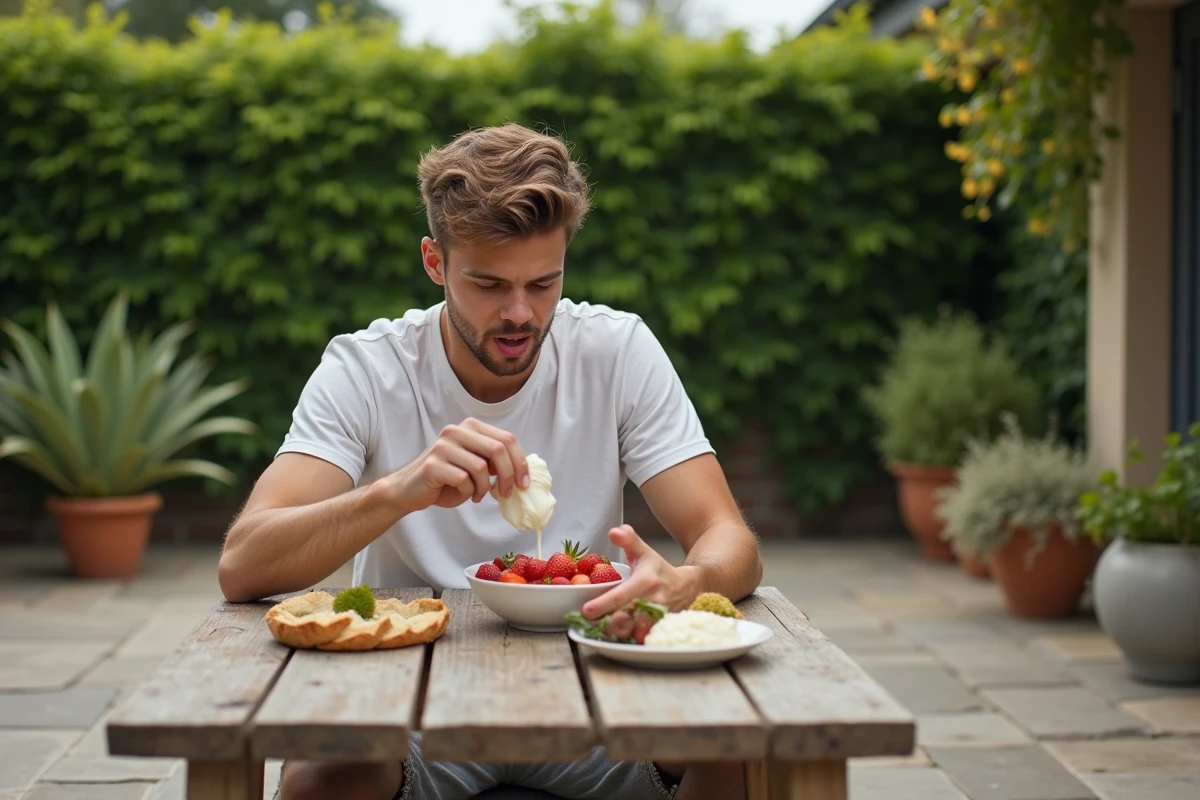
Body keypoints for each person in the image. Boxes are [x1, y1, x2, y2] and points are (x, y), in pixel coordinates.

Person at [217, 122, 764, 800]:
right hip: (410, 699)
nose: (519, 313)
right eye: (488, 284)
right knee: (319, 773)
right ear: (434, 262)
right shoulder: (367, 368)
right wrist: (399, 489)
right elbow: (244, 564)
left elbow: (731, 539)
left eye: (543, 284)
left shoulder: (616, 351)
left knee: (735, 752)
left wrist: (687, 581)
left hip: (599, 689)